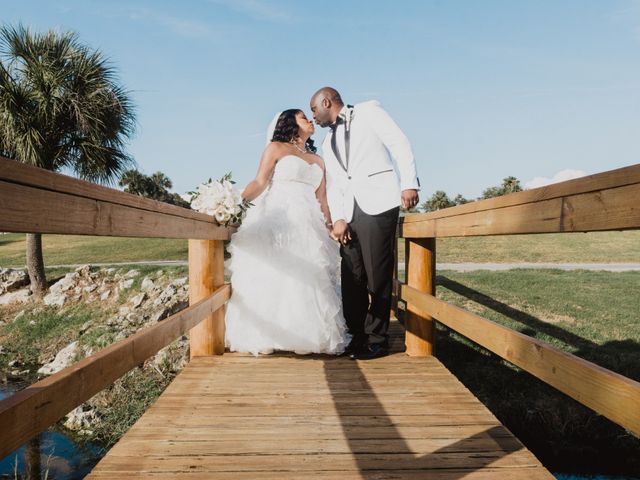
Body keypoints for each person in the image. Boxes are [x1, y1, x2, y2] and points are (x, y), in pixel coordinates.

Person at [224, 109, 350, 356]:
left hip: (309, 222)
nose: (310, 120)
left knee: (308, 273)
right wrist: (233, 203)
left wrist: (330, 224)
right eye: (304, 117)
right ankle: (268, 334)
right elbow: (260, 182)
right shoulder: (276, 148)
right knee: (275, 271)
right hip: (279, 217)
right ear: (290, 123)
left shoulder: (318, 159)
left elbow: (322, 199)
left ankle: (307, 336)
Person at [310, 87, 420, 360]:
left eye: (314, 110)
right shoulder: (327, 141)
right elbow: (335, 183)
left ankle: (377, 340)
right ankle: (357, 335)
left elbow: (399, 143)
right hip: (348, 213)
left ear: (327, 102)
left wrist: (409, 184)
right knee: (352, 277)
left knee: (377, 275)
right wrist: (338, 218)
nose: (313, 117)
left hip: (378, 202)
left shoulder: (369, 111)